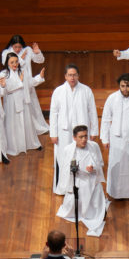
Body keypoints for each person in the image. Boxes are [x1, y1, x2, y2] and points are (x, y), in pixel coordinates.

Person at [49, 64, 98, 193]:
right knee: (63, 159)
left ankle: (82, 188)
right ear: (65, 76)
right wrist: (53, 133)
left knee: (82, 158)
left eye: (74, 75)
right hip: (64, 132)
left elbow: (92, 111)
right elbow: (53, 113)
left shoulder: (86, 90)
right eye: (70, 75)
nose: (72, 78)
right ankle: (63, 188)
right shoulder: (58, 91)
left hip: (81, 132)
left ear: (78, 76)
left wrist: (93, 131)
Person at [56, 125, 109, 237]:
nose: (84, 139)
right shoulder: (68, 150)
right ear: (74, 138)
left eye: (85, 136)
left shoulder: (94, 146)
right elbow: (65, 168)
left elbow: (101, 163)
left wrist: (93, 168)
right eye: (81, 137)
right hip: (77, 180)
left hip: (92, 180)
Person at [2, 35, 49, 134]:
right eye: (16, 47)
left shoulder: (27, 49)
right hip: (14, 87)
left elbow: (40, 60)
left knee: (31, 106)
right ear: (12, 45)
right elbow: (6, 64)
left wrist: (37, 52)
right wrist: (20, 59)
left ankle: (34, 128)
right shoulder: (6, 52)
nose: (18, 49)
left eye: (19, 47)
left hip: (27, 82)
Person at [0, 52, 43, 156]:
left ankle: (31, 144)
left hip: (24, 100)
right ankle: (15, 147)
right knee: (14, 124)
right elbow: (8, 89)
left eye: (16, 61)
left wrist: (39, 77)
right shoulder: (4, 74)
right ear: (7, 63)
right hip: (12, 103)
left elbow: (29, 83)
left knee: (27, 122)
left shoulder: (23, 71)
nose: (15, 64)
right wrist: (19, 82)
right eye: (12, 62)